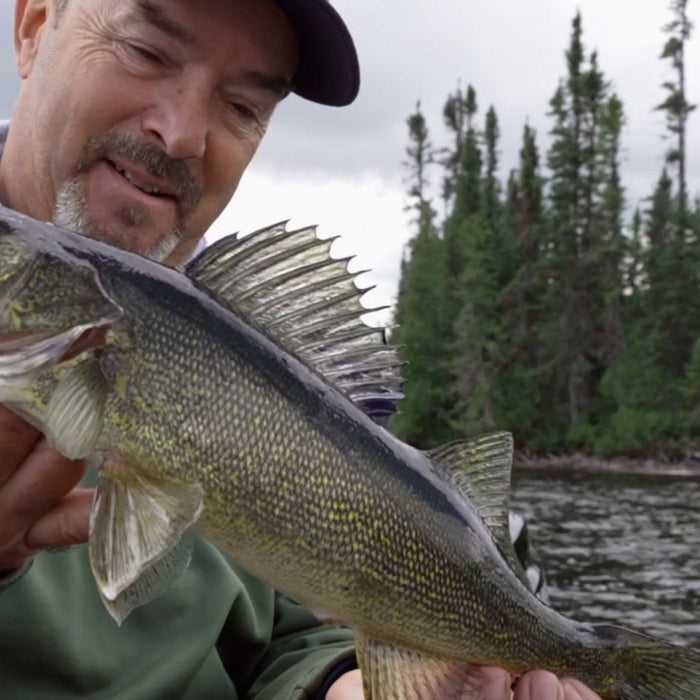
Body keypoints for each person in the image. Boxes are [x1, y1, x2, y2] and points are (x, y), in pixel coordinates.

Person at [0, 1, 602, 698]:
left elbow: (286, 635)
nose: (183, 132)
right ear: (34, 26)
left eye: (244, 105)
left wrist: (341, 686)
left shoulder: (252, 365)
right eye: (147, 51)